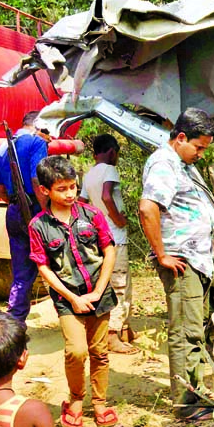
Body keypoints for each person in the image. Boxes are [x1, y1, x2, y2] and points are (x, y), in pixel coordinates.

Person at [139, 108, 214, 421]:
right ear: (181, 138)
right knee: (186, 331)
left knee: (195, 328)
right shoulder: (164, 162)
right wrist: (162, 254)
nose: (200, 154)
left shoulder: (180, 163)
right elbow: (147, 209)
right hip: (180, 260)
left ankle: (199, 393)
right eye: (198, 147)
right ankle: (187, 403)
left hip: (194, 260)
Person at [28, 156, 119, 427]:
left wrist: (100, 289)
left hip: (99, 293)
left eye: (72, 186)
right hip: (68, 299)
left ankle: (100, 403)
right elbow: (43, 267)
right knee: (76, 351)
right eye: (62, 189)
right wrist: (72, 298)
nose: (70, 193)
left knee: (100, 351)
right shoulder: (38, 226)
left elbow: (109, 250)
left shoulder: (92, 215)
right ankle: (76, 399)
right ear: (45, 190)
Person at [79, 134, 138, 354]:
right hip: (116, 236)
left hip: (100, 236)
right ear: (112, 151)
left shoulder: (89, 174)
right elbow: (106, 196)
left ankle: (124, 328)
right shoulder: (109, 170)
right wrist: (118, 219)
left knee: (115, 281)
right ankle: (113, 334)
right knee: (120, 284)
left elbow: (82, 203)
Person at [0, 111, 51, 327]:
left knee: (21, 273)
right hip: (34, 209)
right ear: (39, 126)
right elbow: (37, 180)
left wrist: (16, 201)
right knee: (57, 263)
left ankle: (15, 324)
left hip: (14, 210)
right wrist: (47, 213)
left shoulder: (1, 148)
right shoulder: (37, 143)